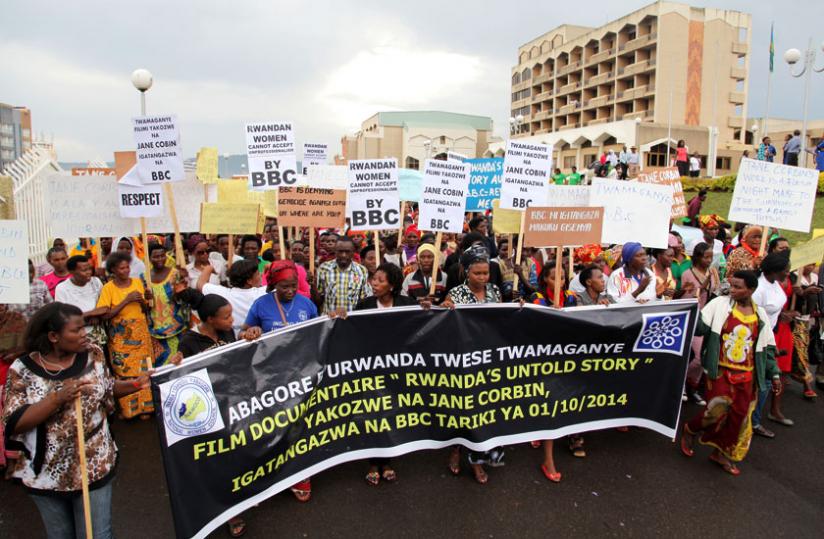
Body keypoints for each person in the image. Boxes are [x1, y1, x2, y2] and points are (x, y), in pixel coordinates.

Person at [2, 303, 153, 539]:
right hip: (47, 473)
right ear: (53, 336)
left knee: (97, 534)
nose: (85, 334)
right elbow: (15, 422)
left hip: (94, 465)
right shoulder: (22, 370)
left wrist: (135, 384)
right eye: (76, 330)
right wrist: (56, 399)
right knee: (60, 535)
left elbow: (106, 387)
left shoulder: (93, 353)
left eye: (85, 328)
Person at [173, 294, 260, 537]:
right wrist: (176, 362)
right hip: (208, 411)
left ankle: (239, 498)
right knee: (219, 461)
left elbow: (236, 350)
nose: (232, 320)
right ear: (210, 319)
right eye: (227, 317)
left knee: (237, 455)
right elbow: (181, 371)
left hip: (232, 403)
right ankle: (230, 513)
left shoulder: (228, 332)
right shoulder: (189, 341)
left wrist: (247, 336)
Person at [681, 270, 781, 476]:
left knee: (738, 419)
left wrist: (775, 374)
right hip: (721, 373)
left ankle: (721, 454)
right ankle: (690, 429)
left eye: (738, 287)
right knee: (715, 412)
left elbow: (767, 348)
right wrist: (694, 307)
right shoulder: (719, 305)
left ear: (751, 290)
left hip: (747, 377)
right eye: (732, 285)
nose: (732, 290)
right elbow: (700, 329)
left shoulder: (760, 315)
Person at [442, 246, 504, 484]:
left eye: (486, 273)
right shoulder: (455, 294)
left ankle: (477, 459)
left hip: (487, 358)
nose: (482, 278)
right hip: (464, 359)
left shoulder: (495, 291)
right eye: (477, 273)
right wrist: (444, 308)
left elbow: (500, 320)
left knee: (483, 411)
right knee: (463, 409)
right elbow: (444, 322)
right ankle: (457, 450)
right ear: (467, 272)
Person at [355, 262, 420, 486]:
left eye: (381, 281)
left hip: (397, 371)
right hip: (371, 370)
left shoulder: (405, 304)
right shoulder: (363, 305)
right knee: (373, 415)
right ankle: (373, 463)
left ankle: (388, 460)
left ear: (392, 286)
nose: (375, 283)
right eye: (374, 279)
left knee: (391, 415)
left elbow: (419, 327)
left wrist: (431, 308)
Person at [96, 252, 154, 419]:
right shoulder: (108, 288)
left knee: (143, 370)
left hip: (141, 334)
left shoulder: (137, 282)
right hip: (121, 339)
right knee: (125, 372)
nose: (126, 270)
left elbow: (145, 310)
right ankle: (130, 410)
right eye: (122, 268)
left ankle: (146, 409)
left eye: (127, 267)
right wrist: (126, 300)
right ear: (113, 270)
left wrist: (146, 300)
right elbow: (105, 315)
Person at [751, 251, 796, 437]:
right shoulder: (759, 288)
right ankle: (751, 422)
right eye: (785, 270)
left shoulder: (776, 285)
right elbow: (754, 318)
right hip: (757, 340)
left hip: (770, 339)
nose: (788, 273)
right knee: (763, 382)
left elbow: (774, 315)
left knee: (766, 382)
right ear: (775, 269)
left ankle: (754, 420)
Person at [680, 242, 721, 404]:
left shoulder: (712, 272)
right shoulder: (687, 274)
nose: (709, 261)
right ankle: (682, 384)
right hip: (691, 317)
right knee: (692, 356)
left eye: (711, 257)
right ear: (697, 257)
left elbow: (716, 291)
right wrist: (702, 287)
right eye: (706, 257)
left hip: (705, 317)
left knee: (701, 358)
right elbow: (685, 298)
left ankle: (693, 387)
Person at [143, 243, 188, 367]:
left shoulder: (175, 274)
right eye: (156, 257)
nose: (160, 259)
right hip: (155, 330)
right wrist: (146, 299)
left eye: (162, 256)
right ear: (149, 258)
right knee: (162, 364)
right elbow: (143, 307)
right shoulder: (144, 277)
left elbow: (183, 300)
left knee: (178, 362)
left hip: (176, 328)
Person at [244, 260, 318, 333]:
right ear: (275, 285)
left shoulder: (307, 303)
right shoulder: (260, 304)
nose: (290, 291)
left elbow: (318, 329)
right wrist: (251, 331)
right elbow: (242, 333)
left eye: (294, 286)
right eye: (285, 287)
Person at [196, 259, 267, 336]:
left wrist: (208, 268)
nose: (261, 275)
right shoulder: (263, 292)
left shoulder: (224, 294)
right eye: (257, 273)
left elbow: (200, 284)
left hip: (234, 342)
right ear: (249, 281)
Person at [55, 255, 107, 349]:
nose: (89, 272)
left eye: (89, 269)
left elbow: (104, 307)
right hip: (76, 337)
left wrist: (97, 316)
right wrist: (91, 314)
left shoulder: (96, 282)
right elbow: (64, 317)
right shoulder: (62, 289)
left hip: (97, 334)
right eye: (84, 270)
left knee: (99, 362)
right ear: (72, 272)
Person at [789, 263, 820, 399]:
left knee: (800, 349)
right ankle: (806, 383)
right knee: (800, 350)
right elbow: (792, 298)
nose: (810, 267)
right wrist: (803, 292)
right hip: (795, 319)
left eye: (813, 264)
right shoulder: (793, 277)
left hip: (808, 319)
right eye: (808, 264)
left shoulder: (814, 277)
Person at [315, 236, 369, 314]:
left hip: (352, 322)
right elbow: (319, 299)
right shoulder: (324, 268)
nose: (343, 255)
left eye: (347, 252)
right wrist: (312, 285)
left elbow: (363, 300)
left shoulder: (361, 271)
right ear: (335, 251)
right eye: (340, 251)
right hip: (330, 322)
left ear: (353, 252)